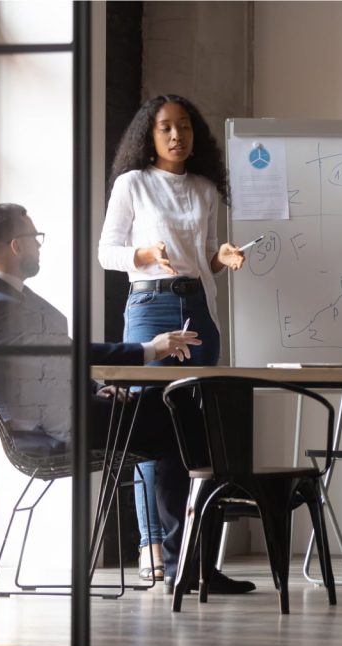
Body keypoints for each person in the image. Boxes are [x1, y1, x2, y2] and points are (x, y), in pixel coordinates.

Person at [0, 203, 254, 595]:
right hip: (58, 431)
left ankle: (185, 562)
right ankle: (186, 562)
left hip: (69, 414)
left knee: (180, 412)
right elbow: (69, 355)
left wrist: (96, 390)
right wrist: (148, 349)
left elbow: (44, 367)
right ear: (16, 245)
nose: (39, 247)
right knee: (182, 415)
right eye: (35, 239)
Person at [98, 94, 245, 581]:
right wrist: (142, 255)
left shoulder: (205, 188)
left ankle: (194, 558)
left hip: (198, 308)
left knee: (197, 434)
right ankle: (152, 546)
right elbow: (106, 252)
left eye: (184, 126)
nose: (177, 136)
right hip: (149, 306)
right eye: (166, 128)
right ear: (150, 134)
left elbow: (203, 256)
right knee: (150, 429)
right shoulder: (133, 183)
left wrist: (220, 258)